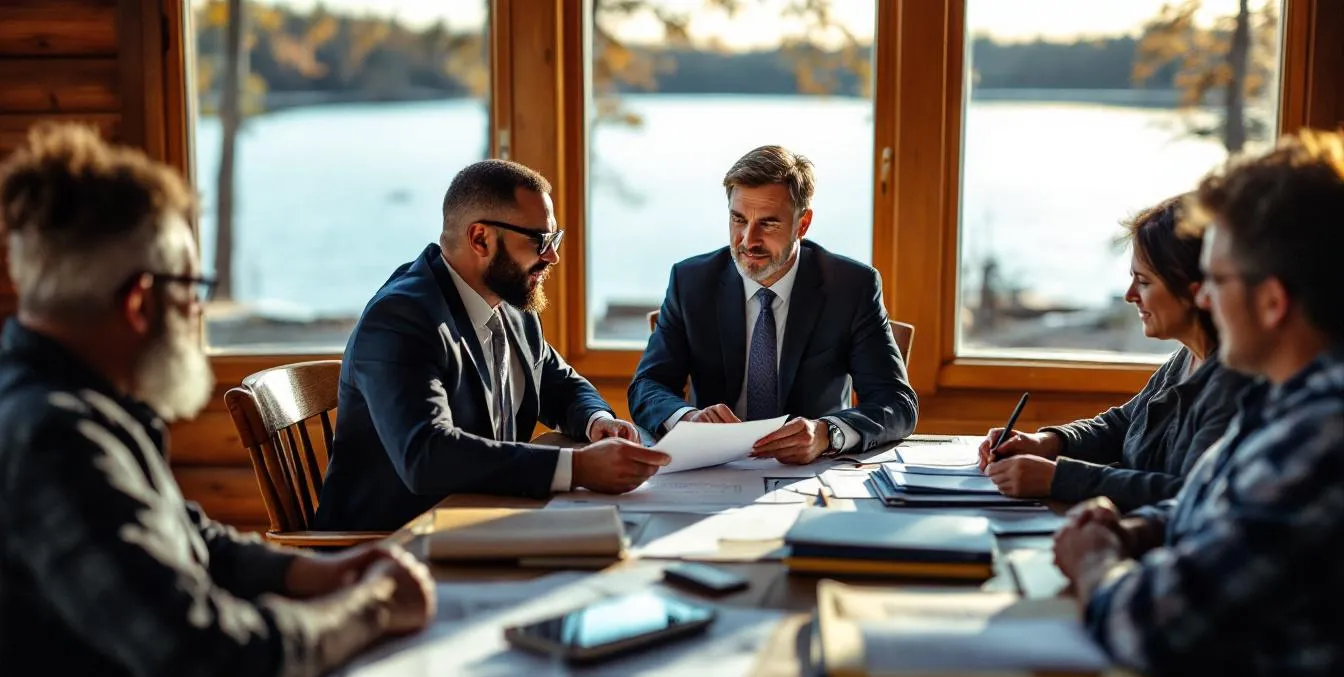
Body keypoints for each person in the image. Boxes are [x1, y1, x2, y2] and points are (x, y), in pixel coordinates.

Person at [0, 123, 436, 677]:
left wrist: (307, 572)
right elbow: (211, 658)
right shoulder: (52, 439)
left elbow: (184, 534)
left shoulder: (78, 401)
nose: (198, 313)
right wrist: (368, 608)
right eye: (192, 292)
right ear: (142, 301)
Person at [1054, 129, 1344, 677]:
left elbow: (1150, 625)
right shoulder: (1285, 399)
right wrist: (1136, 533)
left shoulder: (1321, 436)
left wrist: (1097, 560)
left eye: (1214, 280)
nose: (1203, 299)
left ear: (1272, 302)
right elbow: (1222, 507)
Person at [316, 160, 667, 531]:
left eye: (555, 239)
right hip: (388, 550)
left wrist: (600, 422)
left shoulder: (511, 305)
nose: (553, 257)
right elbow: (426, 455)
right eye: (539, 241)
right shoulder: (400, 319)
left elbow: (560, 384)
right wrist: (578, 468)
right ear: (480, 238)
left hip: (483, 524)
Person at [628, 145, 918, 463]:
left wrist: (827, 433)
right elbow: (647, 386)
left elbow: (896, 403)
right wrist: (687, 419)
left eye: (768, 224)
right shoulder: (692, 282)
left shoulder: (851, 287)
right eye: (738, 219)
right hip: (713, 469)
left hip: (811, 473)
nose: (748, 240)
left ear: (802, 224)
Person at [978, 195, 1251, 510]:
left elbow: (1186, 495)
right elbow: (1122, 424)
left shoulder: (1234, 385)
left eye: (1144, 282)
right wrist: (1047, 442)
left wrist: (1059, 478)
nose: (1129, 295)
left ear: (1193, 290)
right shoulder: (1184, 359)